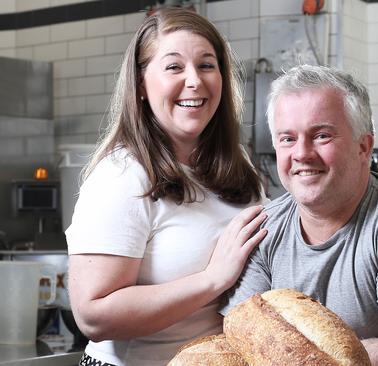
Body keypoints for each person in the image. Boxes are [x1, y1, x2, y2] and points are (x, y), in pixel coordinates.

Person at [218, 65, 378, 366]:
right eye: (287, 139)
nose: (302, 153)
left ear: (364, 147)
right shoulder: (261, 229)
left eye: (321, 136)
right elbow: (244, 338)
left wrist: (287, 351)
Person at [65, 8, 268, 366]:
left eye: (207, 65)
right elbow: (93, 316)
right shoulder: (123, 176)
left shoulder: (238, 165)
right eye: (174, 67)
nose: (194, 81)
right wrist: (212, 279)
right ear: (142, 84)